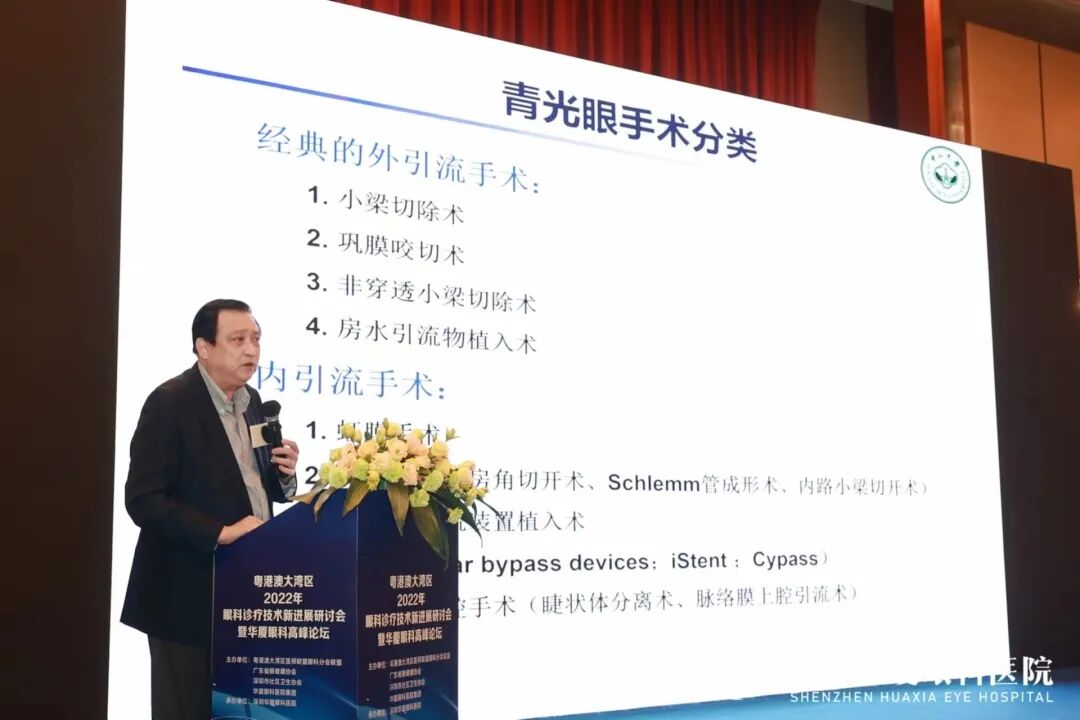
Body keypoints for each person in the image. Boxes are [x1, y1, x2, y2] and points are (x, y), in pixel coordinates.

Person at [120, 299, 300, 720]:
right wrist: (219, 532)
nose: (251, 350)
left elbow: (255, 486)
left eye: (256, 339)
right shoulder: (170, 403)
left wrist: (285, 477)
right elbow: (144, 499)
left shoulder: (252, 402)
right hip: (185, 595)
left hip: (246, 593)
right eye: (237, 340)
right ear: (204, 347)